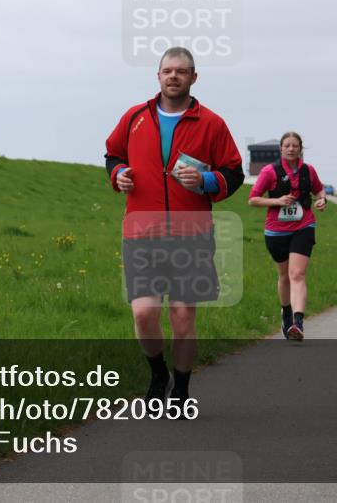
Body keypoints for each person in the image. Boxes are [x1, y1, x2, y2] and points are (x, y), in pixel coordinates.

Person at [104, 47, 244, 412]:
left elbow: (234, 172)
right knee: (143, 313)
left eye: (181, 71)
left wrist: (207, 179)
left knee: (183, 317)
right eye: (167, 70)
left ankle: (181, 390)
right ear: (158, 75)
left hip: (191, 235)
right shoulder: (134, 117)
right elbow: (113, 155)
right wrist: (118, 175)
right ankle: (157, 373)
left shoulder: (211, 123)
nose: (173, 76)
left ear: (193, 78)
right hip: (141, 233)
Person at [248, 132, 326, 341]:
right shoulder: (269, 171)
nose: (291, 149)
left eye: (295, 145)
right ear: (281, 149)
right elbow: (253, 199)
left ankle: (298, 323)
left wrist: (322, 200)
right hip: (276, 231)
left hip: (304, 227)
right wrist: (277, 201)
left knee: (297, 274)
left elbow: (320, 190)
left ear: (301, 149)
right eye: (287, 145)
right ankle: (287, 313)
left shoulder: (309, 171)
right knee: (284, 276)